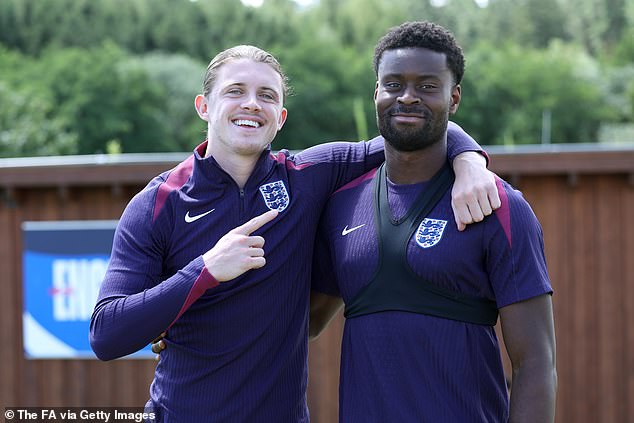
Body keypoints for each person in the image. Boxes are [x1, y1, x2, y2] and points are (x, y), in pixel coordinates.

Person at [89, 44, 499, 422]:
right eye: (235, 91)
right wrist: (205, 270)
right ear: (204, 106)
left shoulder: (309, 175)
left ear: (280, 118)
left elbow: (415, 131)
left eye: (267, 95)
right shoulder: (159, 202)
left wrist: (470, 163)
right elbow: (106, 335)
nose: (252, 104)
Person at [310, 22, 557, 422]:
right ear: (376, 92)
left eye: (427, 86)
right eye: (393, 84)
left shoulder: (499, 206)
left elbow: (536, 364)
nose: (407, 97)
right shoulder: (341, 204)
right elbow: (302, 322)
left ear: (453, 97)